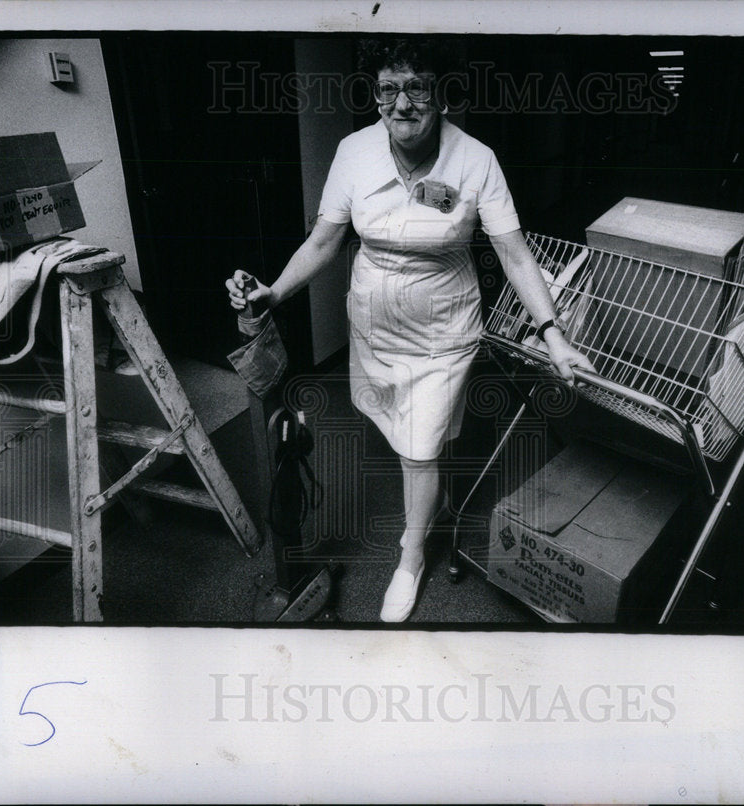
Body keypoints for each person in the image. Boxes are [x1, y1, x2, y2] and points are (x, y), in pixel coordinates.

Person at [227, 38, 594, 622]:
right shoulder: (353, 152)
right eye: (388, 88)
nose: (402, 103)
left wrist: (552, 333)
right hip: (374, 323)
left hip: (444, 328)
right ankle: (432, 499)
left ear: (441, 94)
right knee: (403, 429)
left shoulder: (476, 160)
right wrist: (274, 291)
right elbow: (324, 240)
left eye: (417, 87)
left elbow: (516, 255)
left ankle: (411, 553)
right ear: (376, 95)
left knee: (419, 446)